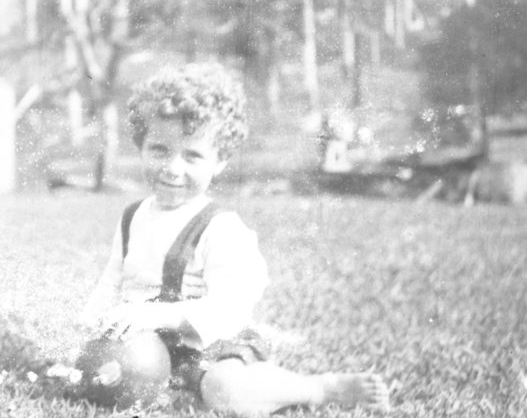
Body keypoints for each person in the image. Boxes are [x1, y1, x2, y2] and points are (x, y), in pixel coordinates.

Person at [77, 63, 390, 415]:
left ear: (221, 160)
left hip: (207, 345)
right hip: (147, 347)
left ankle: (315, 387)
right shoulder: (132, 216)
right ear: (141, 146)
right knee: (96, 378)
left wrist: (159, 317)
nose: (172, 168)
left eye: (192, 155)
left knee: (227, 390)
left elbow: (229, 307)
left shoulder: (221, 229)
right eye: (160, 150)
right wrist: (90, 325)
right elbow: (113, 277)